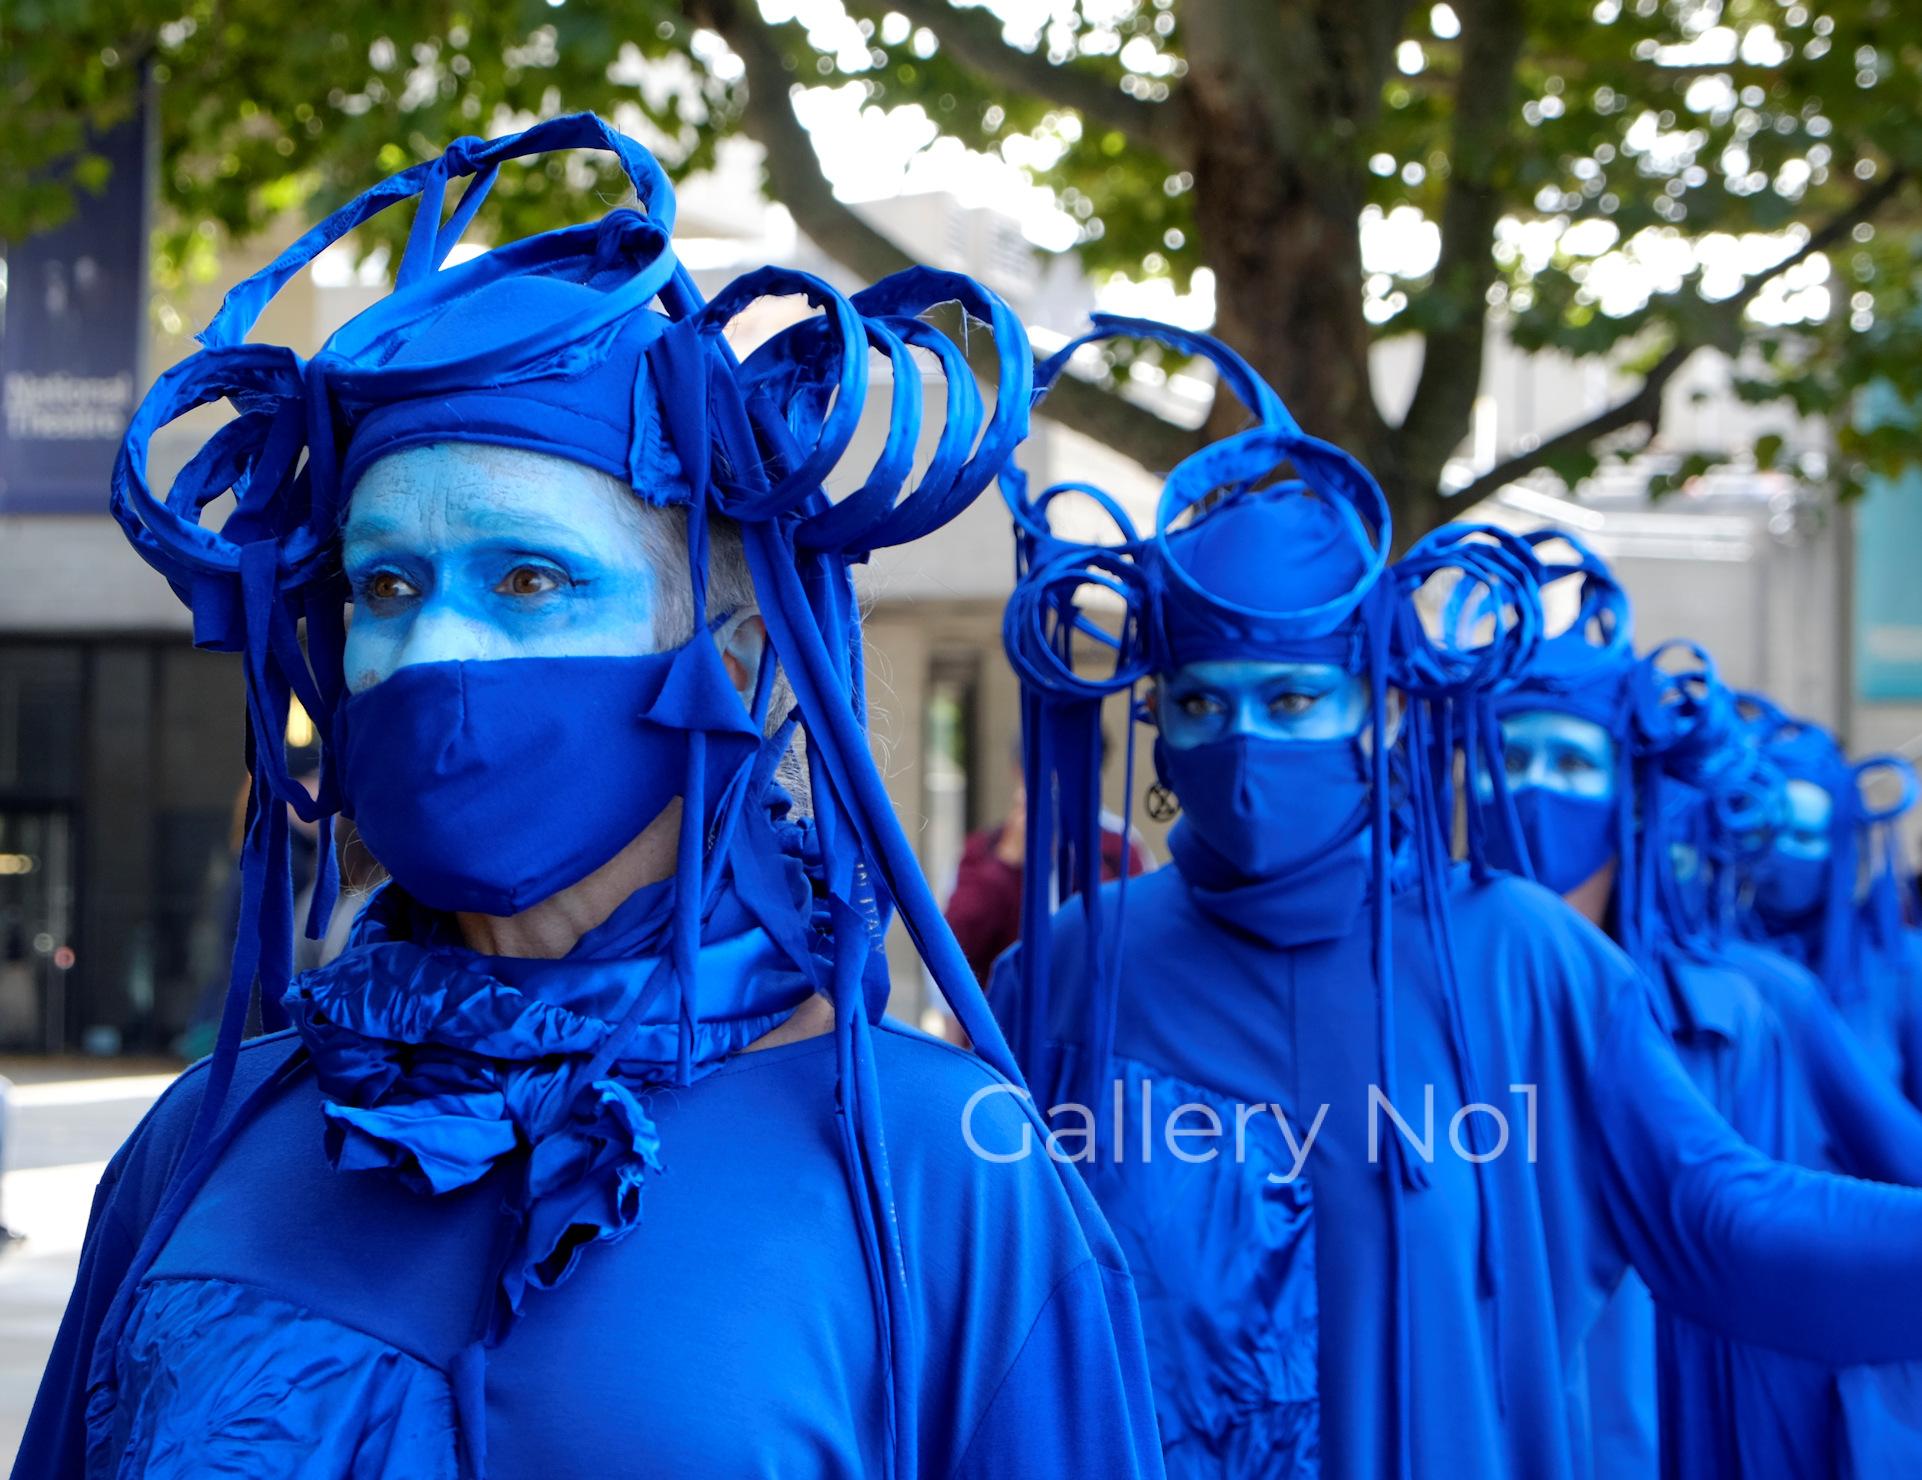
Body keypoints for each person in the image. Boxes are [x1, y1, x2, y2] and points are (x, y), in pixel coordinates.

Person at [17, 119, 1160, 1480]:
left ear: (736, 663)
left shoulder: (939, 1178)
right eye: (387, 586)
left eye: (530, 580)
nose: (436, 648)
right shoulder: (204, 1142)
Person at [992, 318, 1922, 1480]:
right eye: (1201, 703)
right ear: (1158, 721)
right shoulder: (1073, 970)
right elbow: (991, 1310)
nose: (1241, 741)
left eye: (1290, 701)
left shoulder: (1520, 958)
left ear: (1379, 708)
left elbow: (1716, 1217)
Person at [1487, 536, 1922, 1476]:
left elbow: (1744, 1212)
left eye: (1570, 762)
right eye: (1509, 756)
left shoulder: (1758, 1000)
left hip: (1697, 1379)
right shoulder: (1419, 979)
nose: (1533, 792)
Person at [945, 736, 1150, 984]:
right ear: (1019, 771)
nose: (1057, 786)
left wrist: (1086, 861)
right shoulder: (985, 848)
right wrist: (1007, 863)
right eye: (1043, 772)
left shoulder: (1118, 846)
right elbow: (954, 947)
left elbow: (1136, 937)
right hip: (1005, 1003)